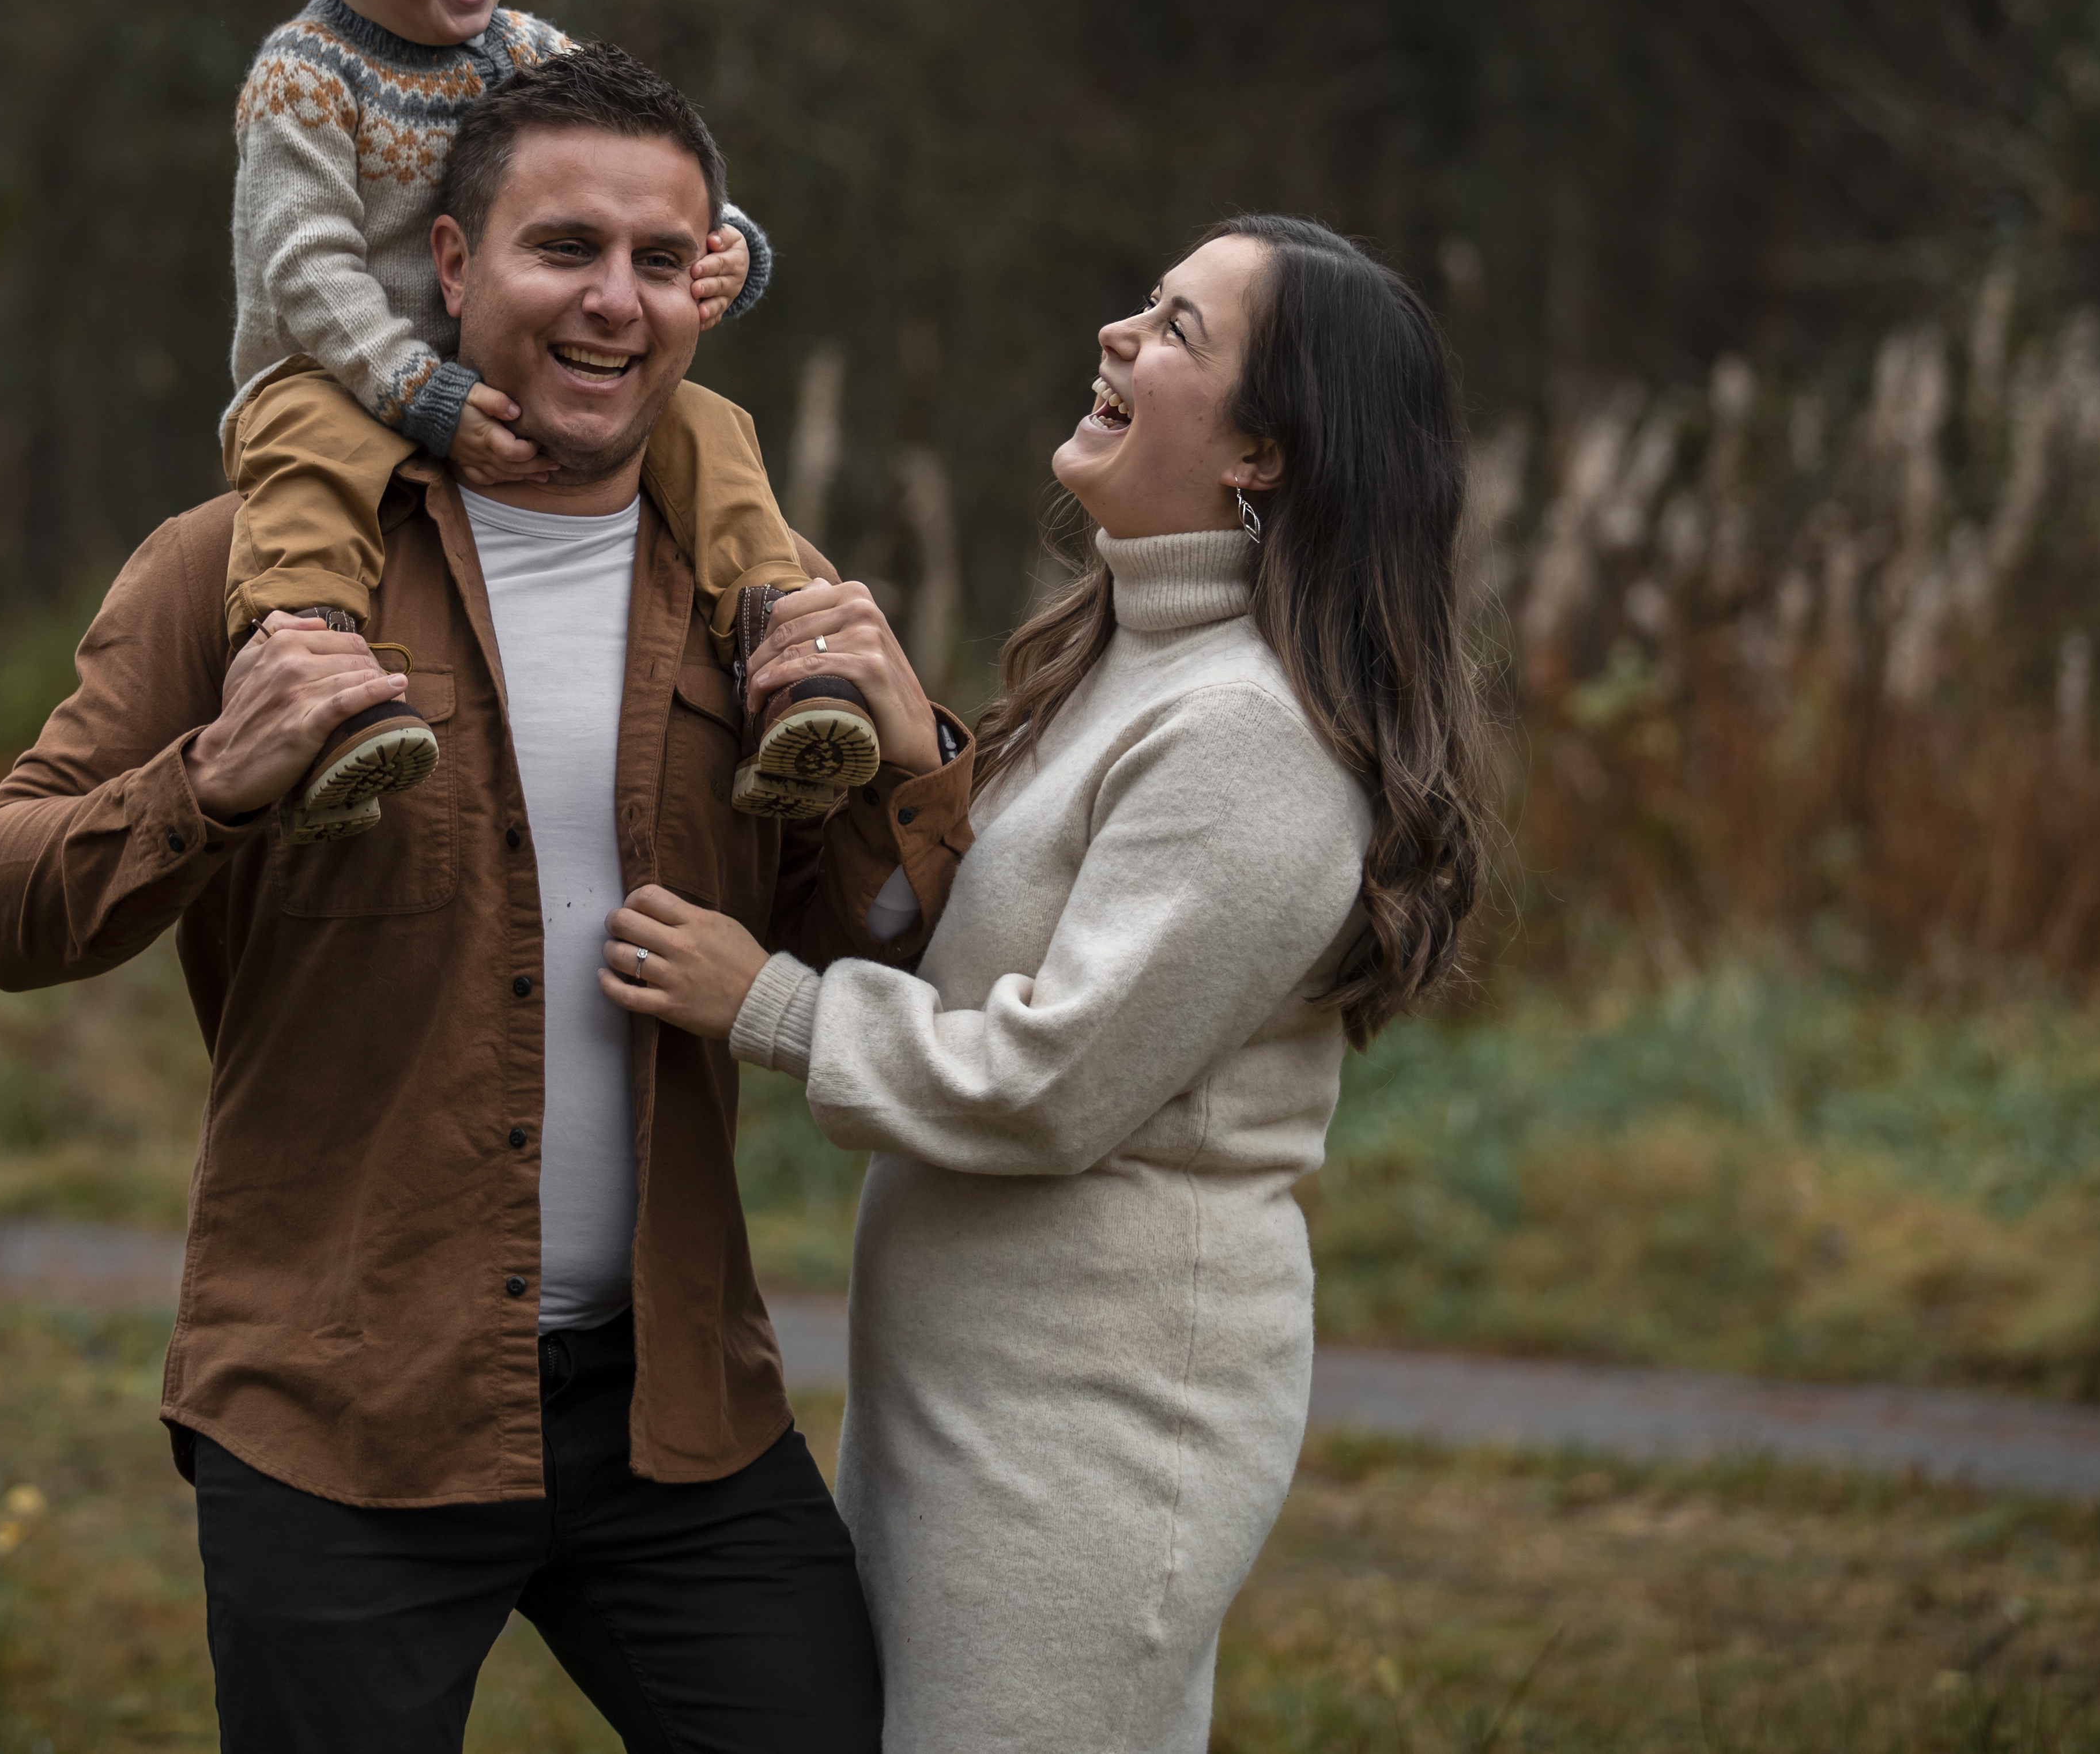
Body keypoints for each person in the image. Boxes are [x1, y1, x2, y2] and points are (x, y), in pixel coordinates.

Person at [0, 47, 956, 1753]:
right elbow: (8, 903)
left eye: (663, 258)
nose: (614, 303)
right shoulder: (239, 570)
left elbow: (882, 939)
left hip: (677, 1422)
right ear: (448, 265)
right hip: (343, 1412)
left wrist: (912, 738)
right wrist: (210, 776)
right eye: (564, 248)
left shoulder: (754, 596)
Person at [603, 215, 1487, 1754]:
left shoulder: (1248, 735)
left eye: (1176, 331)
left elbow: (1054, 1079)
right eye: (1143, 307)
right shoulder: (1129, 665)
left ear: (1262, 451)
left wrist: (764, 1003)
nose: (1117, 338)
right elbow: (1006, 949)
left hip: (1097, 1430)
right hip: (973, 1399)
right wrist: (923, 757)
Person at [218, 0, 876, 839]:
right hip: (330, 372)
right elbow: (306, 267)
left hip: (502, 362)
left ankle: (786, 662)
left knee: (708, 429)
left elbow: (631, 167)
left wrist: (724, 247)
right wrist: (412, 388)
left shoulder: (520, 48)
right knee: (311, 473)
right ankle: (317, 690)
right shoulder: (303, 76)